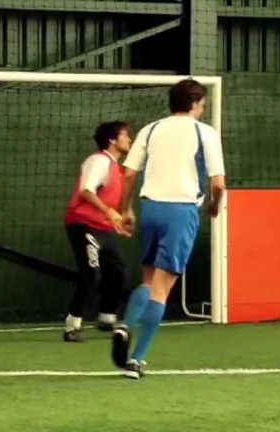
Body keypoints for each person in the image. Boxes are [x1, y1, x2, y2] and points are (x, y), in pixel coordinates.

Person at [111, 79, 226, 379]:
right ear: (196, 103)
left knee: (149, 280)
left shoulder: (151, 129)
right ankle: (136, 360)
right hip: (181, 211)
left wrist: (126, 209)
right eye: (202, 104)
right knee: (163, 289)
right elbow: (218, 183)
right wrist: (215, 205)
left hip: (151, 208)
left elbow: (128, 174)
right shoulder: (205, 133)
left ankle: (125, 325)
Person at [62, 121, 133, 342]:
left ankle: (106, 317)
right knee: (91, 274)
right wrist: (109, 211)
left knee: (118, 270)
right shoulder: (100, 161)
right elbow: (86, 190)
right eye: (125, 135)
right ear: (112, 140)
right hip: (83, 225)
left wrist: (120, 219)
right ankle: (72, 326)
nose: (129, 139)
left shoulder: (117, 169)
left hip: (102, 228)